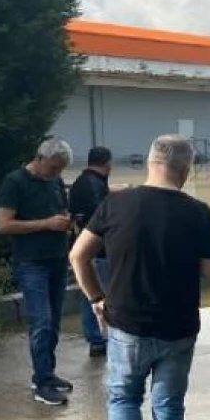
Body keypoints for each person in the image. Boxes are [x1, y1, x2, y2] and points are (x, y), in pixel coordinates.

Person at [69, 134, 210, 420]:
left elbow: (78, 256)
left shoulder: (116, 203)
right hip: (178, 326)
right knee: (168, 406)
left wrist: (96, 299)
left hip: (127, 325)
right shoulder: (198, 211)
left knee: (123, 398)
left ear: (150, 163)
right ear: (186, 170)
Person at [0, 137, 75, 406]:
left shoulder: (54, 182)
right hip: (31, 262)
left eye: (60, 170)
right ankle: (42, 385)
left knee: (53, 322)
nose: (56, 174)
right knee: (40, 321)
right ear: (39, 158)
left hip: (56, 259)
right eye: (53, 168)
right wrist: (46, 224)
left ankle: (45, 372)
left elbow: (60, 211)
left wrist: (65, 222)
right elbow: (4, 225)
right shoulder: (15, 182)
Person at [69, 146, 117, 358]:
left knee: (90, 291)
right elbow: (102, 215)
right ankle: (101, 337)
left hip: (85, 246)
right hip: (101, 249)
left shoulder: (81, 182)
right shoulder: (94, 185)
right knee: (102, 293)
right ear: (107, 162)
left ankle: (96, 338)